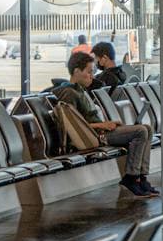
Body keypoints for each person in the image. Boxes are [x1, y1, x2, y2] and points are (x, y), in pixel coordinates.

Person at [54, 51, 156, 198]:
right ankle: (132, 177)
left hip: (100, 131)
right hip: (95, 136)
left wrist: (107, 123)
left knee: (148, 129)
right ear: (76, 71)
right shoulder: (69, 93)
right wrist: (102, 126)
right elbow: (73, 126)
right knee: (140, 131)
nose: (92, 76)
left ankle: (142, 177)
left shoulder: (80, 90)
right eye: (89, 72)